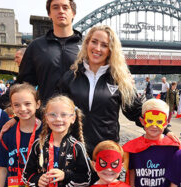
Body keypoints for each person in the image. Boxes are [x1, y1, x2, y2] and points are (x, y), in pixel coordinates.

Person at [57, 25, 144, 157]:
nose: (97, 48)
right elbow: (55, 110)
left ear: (110, 50)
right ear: (87, 44)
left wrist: (164, 130)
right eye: (94, 42)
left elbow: (135, 111)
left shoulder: (120, 79)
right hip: (74, 151)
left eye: (104, 45)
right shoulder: (71, 77)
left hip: (106, 153)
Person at [22, 95, 91, 187]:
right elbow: (26, 175)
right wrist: (37, 180)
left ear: (73, 118)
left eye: (64, 115)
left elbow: (86, 177)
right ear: (46, 118)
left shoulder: (77, 147)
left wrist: (65, 175)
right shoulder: (38, 145)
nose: (58, 119)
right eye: (52, 115)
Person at [123, 99, 180, 187]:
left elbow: (175, 175)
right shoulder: (133, 148)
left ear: (166, 123)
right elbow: (131, 172)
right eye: (150, 120)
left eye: (159, 122)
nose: (154, 126)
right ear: (142, 121)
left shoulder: (172, 148)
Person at [17, 0, 81, 104]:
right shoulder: (36, 46)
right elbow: (24, 84)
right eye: (55, 7)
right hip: (47, 115)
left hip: (80, 116)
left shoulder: (87, 46)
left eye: (65, 7)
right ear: (49, 14)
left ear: (73, 13)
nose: (61, 11)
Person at [0, 83, 42, 187]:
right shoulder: (7, 134)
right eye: (17, 105)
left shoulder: (47, 132)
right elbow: (2, 169)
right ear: (12, 107)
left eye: (27, 104)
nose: (22, 109)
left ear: (38, 104)